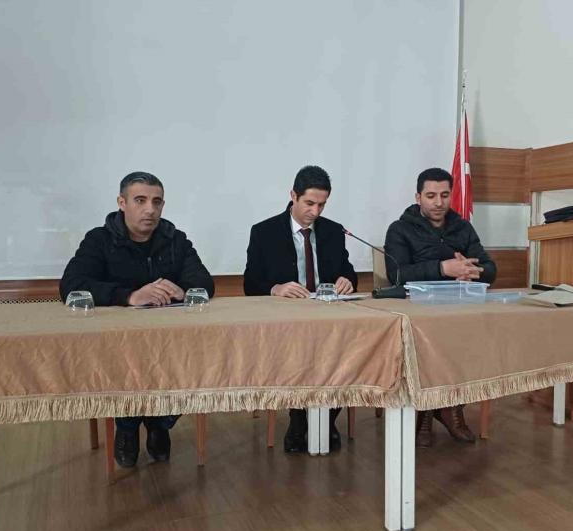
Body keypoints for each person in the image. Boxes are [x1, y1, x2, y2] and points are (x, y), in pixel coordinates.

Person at [60, 171, 215, 467]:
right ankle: (128, 427)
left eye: (157, 202)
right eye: (140, 201)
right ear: (122, 203)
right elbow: (71, 286)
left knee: (197, 361)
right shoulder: (99, 240)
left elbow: (204, 282)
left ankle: (159, 423)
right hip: (116, 344)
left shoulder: (175, 239)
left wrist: (183, 291)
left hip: (169, 342)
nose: (150, 210)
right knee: (126, 365)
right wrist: (129, 296)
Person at [244, 165, 357, 453]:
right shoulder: (264, 232)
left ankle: (328, 418)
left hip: (328, 318)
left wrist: (346, 280)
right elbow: (251, 283)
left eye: (322, 205)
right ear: (293, 195)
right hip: (288, 321)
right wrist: (276, 288)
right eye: (309, 203)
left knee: (347, 351)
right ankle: (298, 418)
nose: (315, 212)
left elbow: (348, 273)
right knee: (296, 355)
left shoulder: (333, 231)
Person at [384, 167, 497, 446]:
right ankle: (428, 410)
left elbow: (490, 268)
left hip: (459, 311)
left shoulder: (462, 227)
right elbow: (396, 275)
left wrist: (474, 272)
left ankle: (447, 407)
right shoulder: (400, 229)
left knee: (476, 339)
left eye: (445, 195)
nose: (438, 202)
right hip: (418, 314)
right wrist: (442, 268)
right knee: (431, 341)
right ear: (418, 197)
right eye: (431, 196)